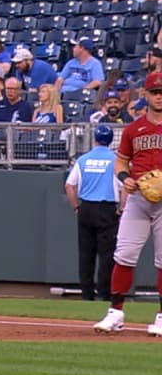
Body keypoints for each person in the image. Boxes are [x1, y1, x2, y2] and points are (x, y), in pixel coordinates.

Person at [93, 71, 162, 336]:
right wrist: (125, 178)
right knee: (123, 256)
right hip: (138, 198)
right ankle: (116, 312)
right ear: (145, 95)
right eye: (154, 92)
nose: (159, 97)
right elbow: (121, 161)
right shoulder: (134, 129)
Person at [65, 125, 123, 302]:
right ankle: (104, 294)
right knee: (107, 256)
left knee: (86, 255)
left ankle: (86, 295)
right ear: (111, 140)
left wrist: (76, 207)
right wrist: (121, 208)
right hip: (107, 208)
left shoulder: (83, 159)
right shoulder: (115, 160)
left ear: (95, 139)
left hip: (86, 208)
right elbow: (124, 188)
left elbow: (69, 186)